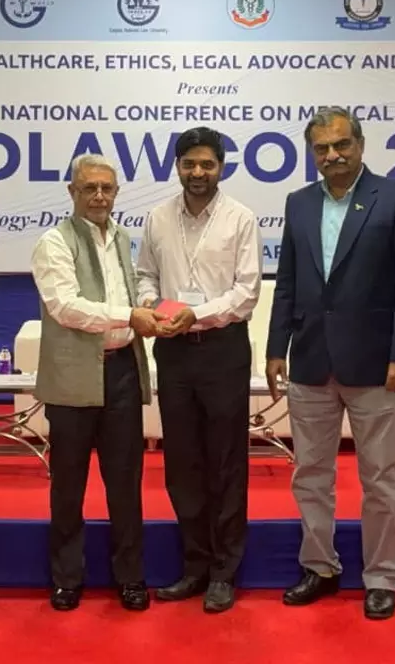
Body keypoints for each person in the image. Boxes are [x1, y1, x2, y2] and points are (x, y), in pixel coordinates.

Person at [266, 107, 395, 619]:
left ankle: (381, 576)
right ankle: (320, 566)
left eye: (341, 145)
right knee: (310, 473)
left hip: (376, 363)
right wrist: (276, 347)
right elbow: (287, 281)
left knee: (381, 478)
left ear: (360, 144)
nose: (332, 155)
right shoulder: (298, 202)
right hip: (310, 359)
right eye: (322, 148)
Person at [135, 126, 262, 613]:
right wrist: (153, 305)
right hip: (174, 350)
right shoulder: (157, 217)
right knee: (182, 461)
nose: (197, 172)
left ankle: (225, 572)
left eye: (207, 164)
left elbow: (246, 292)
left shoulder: (240, 218)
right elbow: (145, 275)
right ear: (177, 166)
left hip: (222, 348)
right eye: (189, 164)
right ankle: (195, 566)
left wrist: (198, 314)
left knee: (225, 461)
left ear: (221, 167)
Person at [29, 153, 162, 612]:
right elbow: (65, 307)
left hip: (122, 369)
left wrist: (149, 308)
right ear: (72, 192)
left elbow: (129, 293)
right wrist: (130, 315)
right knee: (69, 484)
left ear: (117, 192)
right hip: (73, 375)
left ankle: (131, 577)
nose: (100, 196)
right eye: (90, 188)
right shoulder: (53, 242)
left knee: (125, 483)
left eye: (107, 188)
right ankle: (67, 577)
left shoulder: (121, 236)